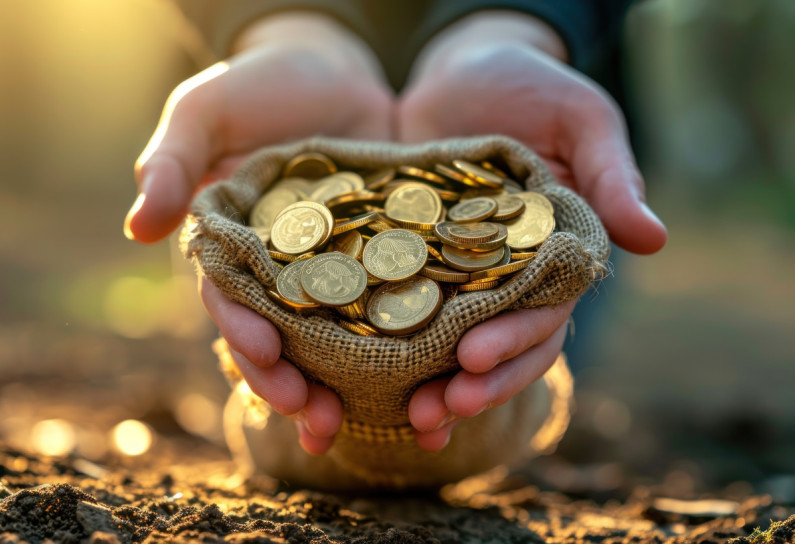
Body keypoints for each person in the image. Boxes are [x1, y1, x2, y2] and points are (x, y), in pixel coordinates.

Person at [124, 1, 667, 456]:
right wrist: (284, 22)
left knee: (496, 388)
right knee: (270, 404)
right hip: (251, 128)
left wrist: (514, 20)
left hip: (549, 104)